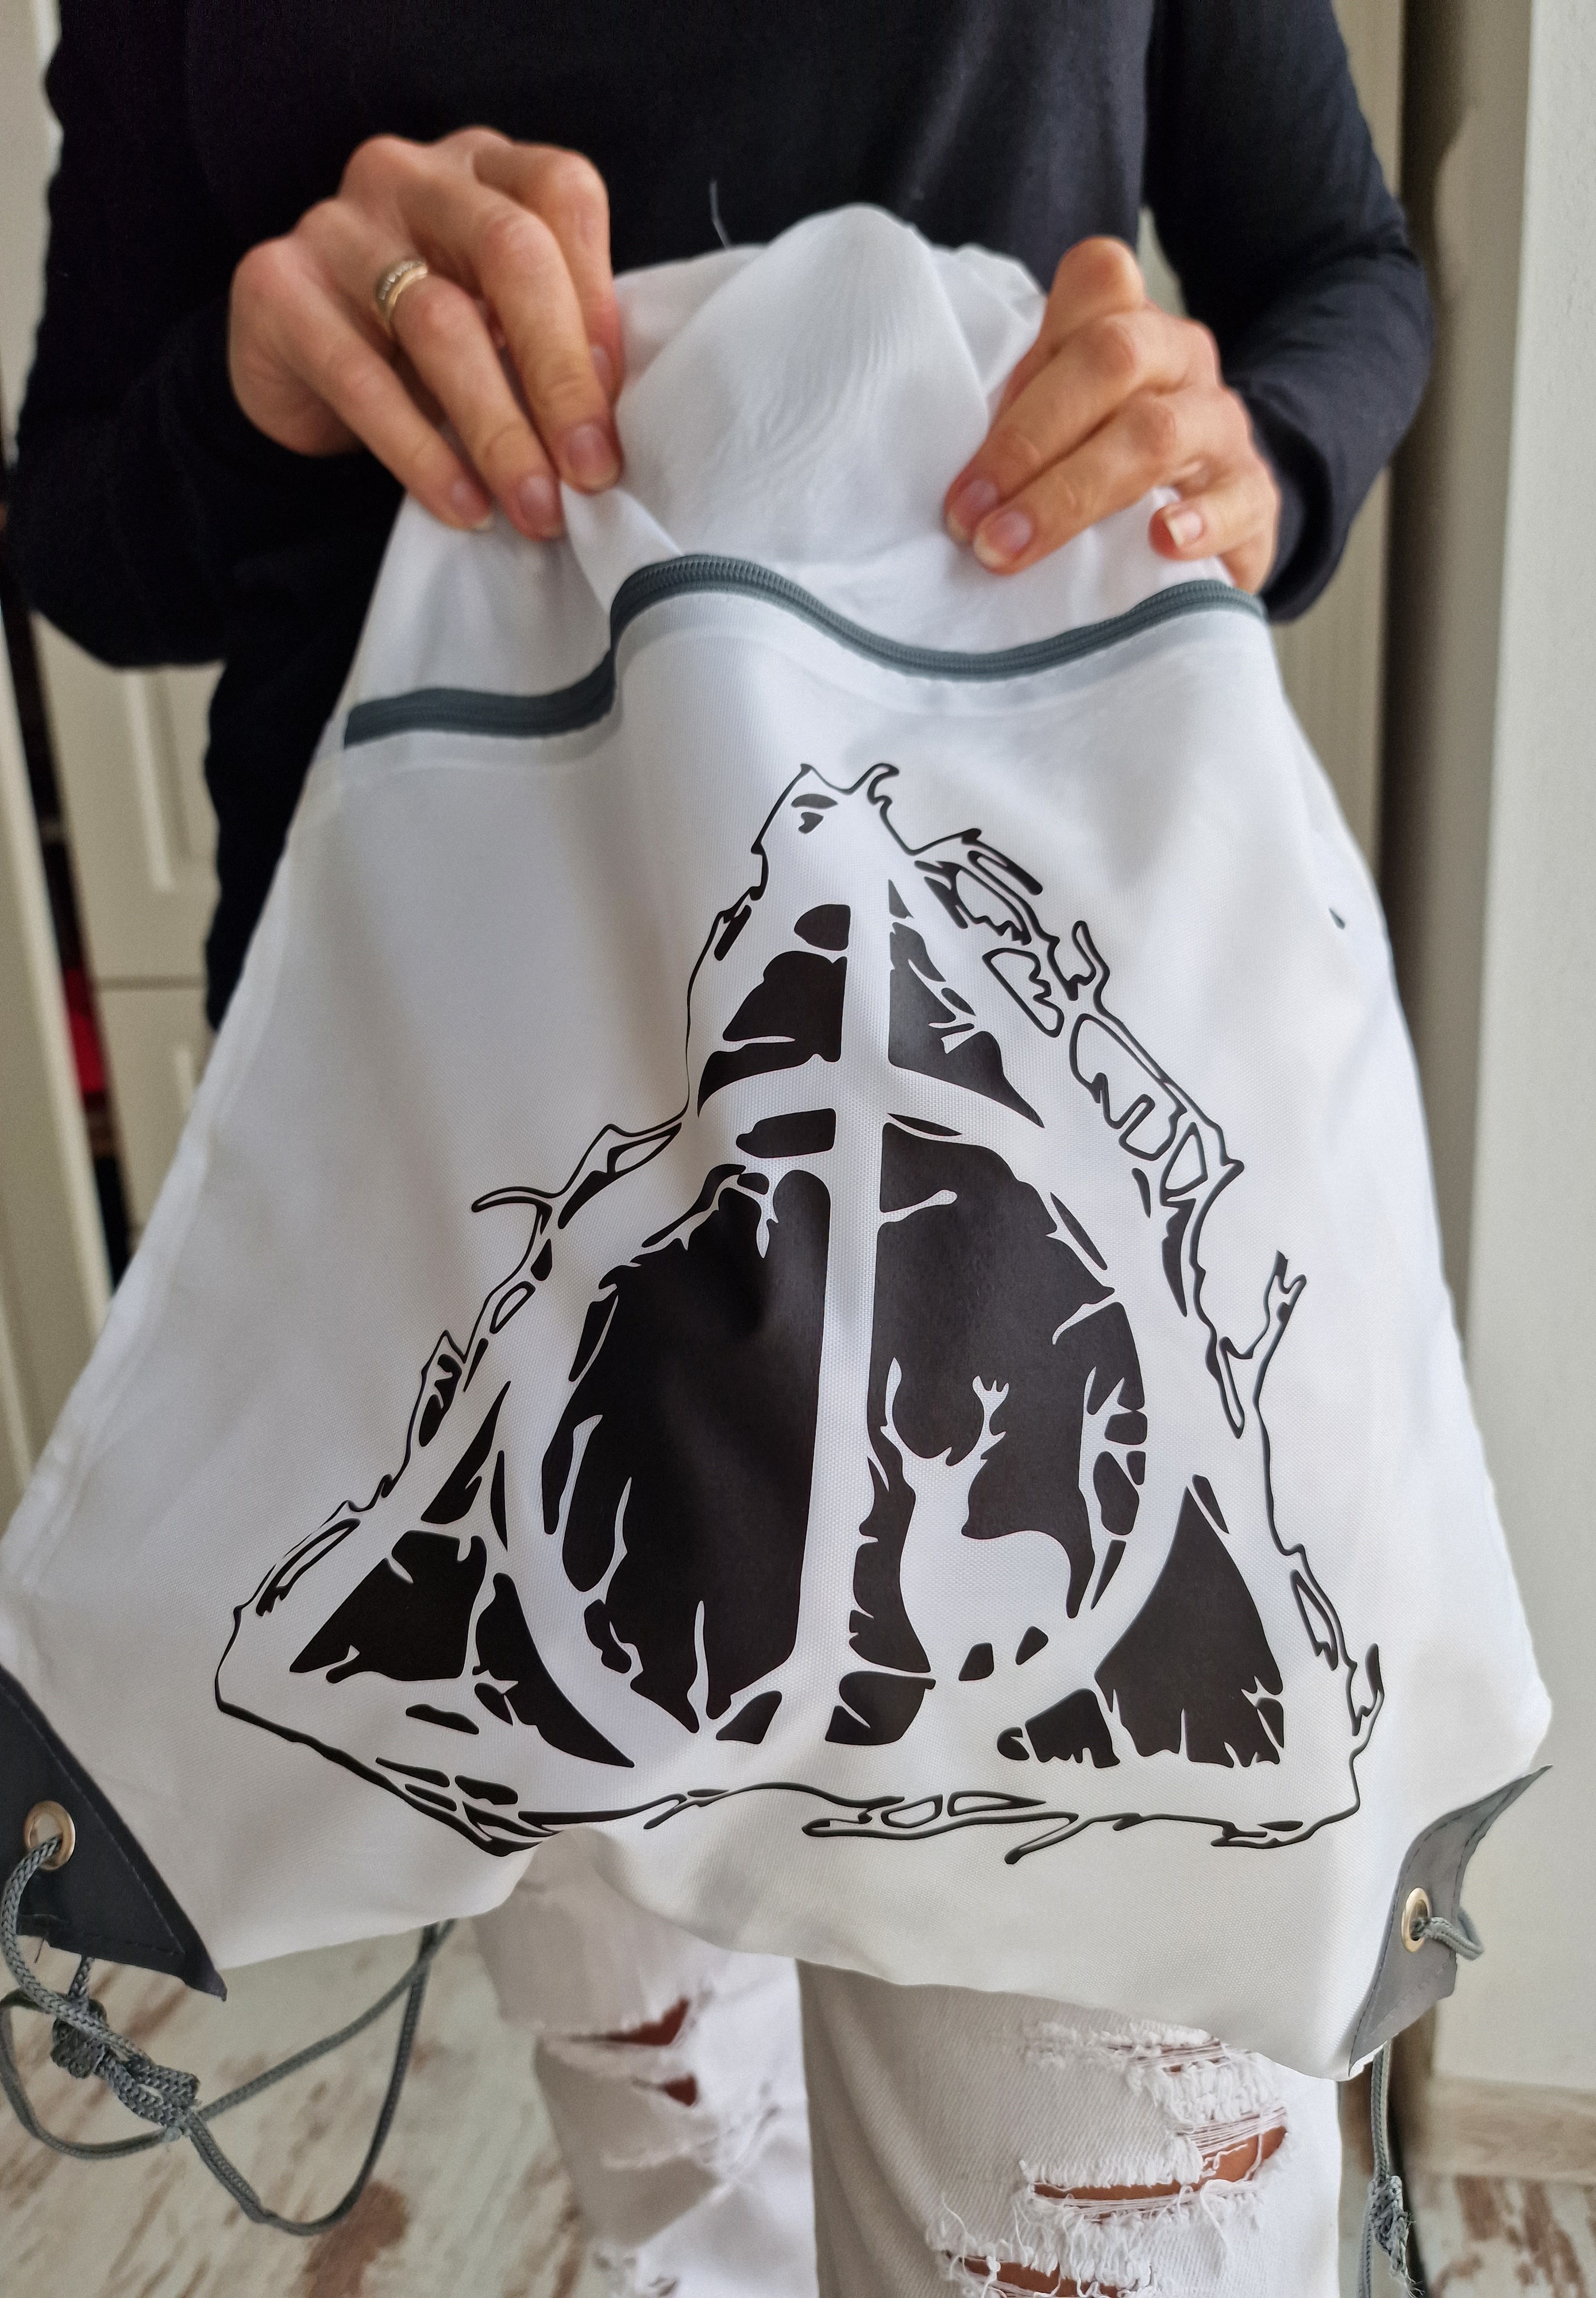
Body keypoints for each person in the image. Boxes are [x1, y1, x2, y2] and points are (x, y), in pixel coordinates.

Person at [10, 6, 1431, 2291]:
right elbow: (83, 525)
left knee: (1097, 2206)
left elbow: (1341, 272)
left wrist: (1246, 451)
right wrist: (263, 374)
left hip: (1006, 1170)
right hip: (450, 1154)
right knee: (674, 2141)